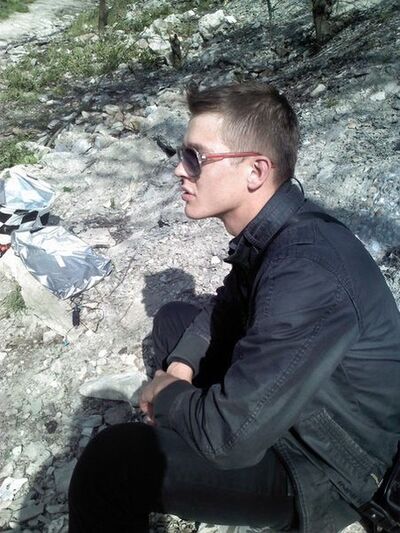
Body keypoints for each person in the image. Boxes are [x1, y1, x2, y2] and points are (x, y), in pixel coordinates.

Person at [68, 83, 400, 533]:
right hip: (301, 404)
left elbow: (231, 438)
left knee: (111, 464)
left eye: (195, 157)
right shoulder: (275, 231)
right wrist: (180, 369)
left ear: (255, 171)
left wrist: (166, 397)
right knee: (173, 324)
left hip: (332, 463)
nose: (180, 171)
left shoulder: (307, 270)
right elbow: (225, 307)